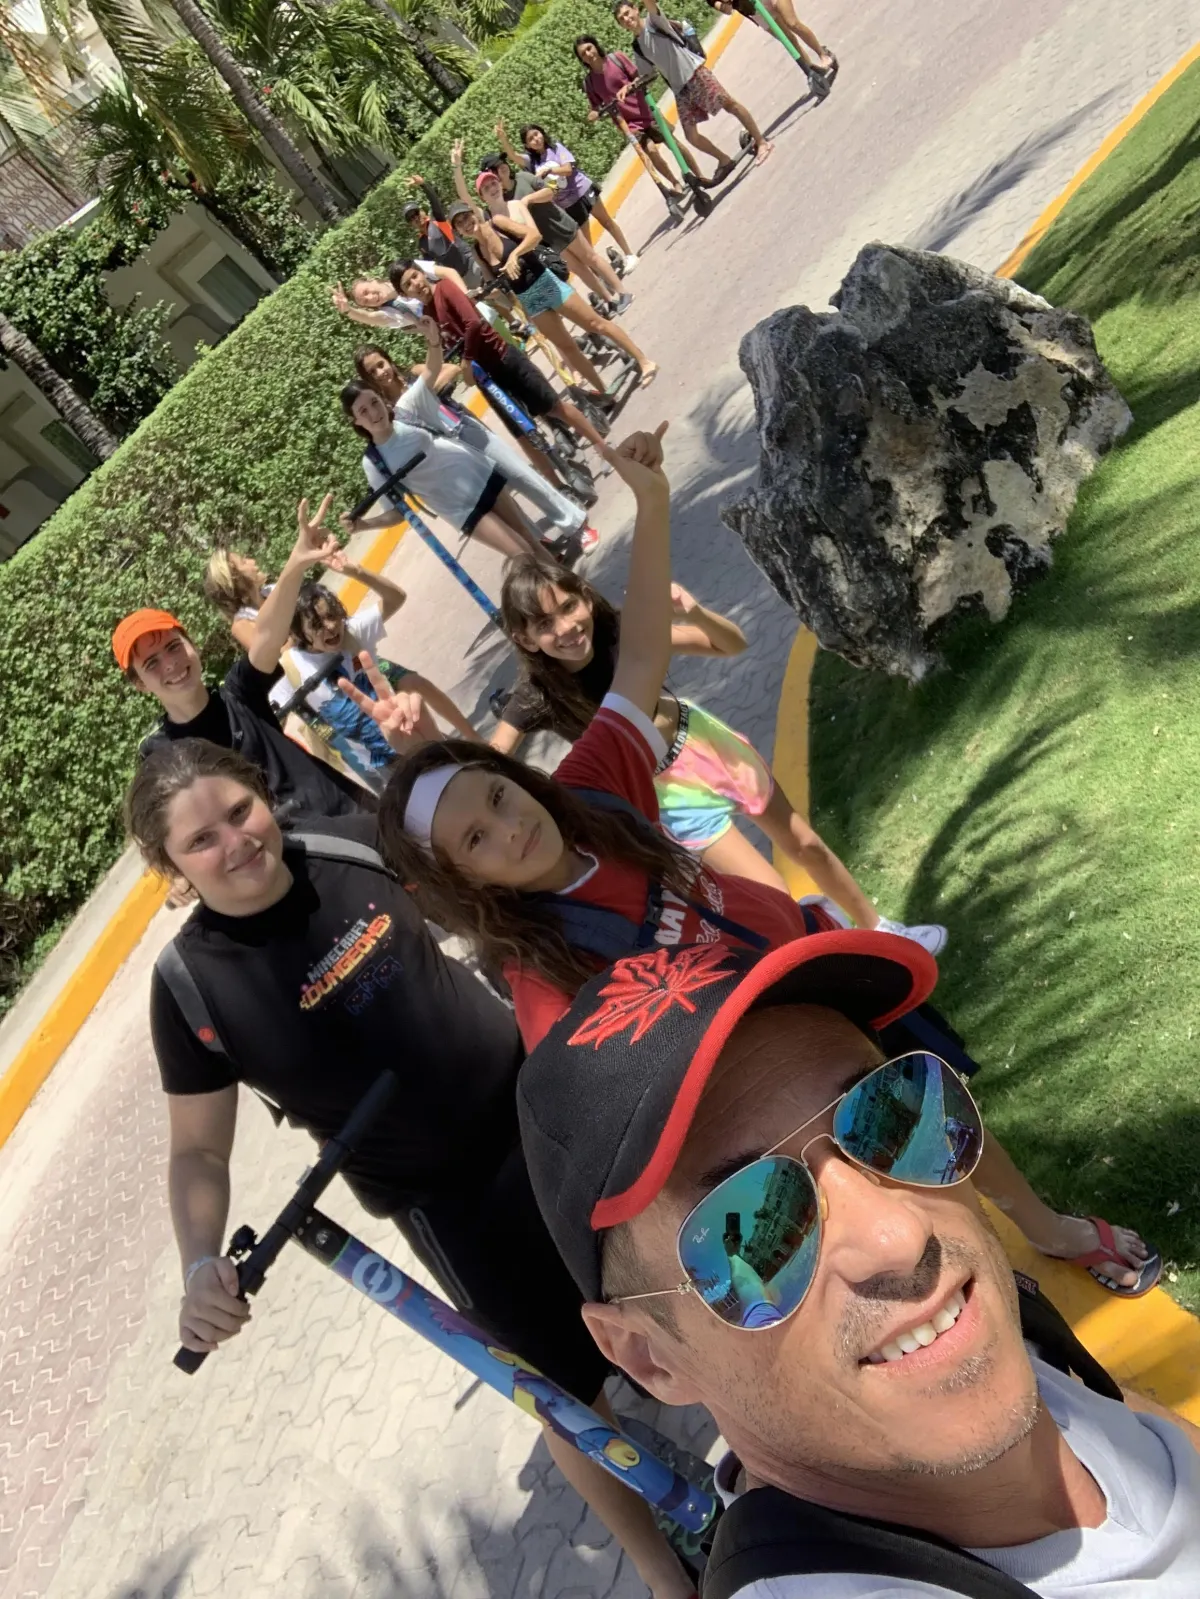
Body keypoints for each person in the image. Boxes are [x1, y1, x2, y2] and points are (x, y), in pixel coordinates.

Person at [351, 428, 1158, 1298]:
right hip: (763, 1097)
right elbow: (598, 1125)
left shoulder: (588, 788)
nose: (508, 828)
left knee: (929, 1103)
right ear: (466, 883)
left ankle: (1048, 1229)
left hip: (812, 976)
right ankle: (994, 1287)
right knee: (893, 1211)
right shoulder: (541, 969)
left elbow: (645, 655)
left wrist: (652, 503)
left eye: (499, 797)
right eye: (475, 840)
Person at [130, 738, 698, 1599]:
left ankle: (769, 1446)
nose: (235, 842)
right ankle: (662, 1573)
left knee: (669, 1284)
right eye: (200, 840)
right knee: (566, 1398)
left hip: (547, 1106)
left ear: (260, 794)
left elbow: (488, 895)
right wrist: (199, 1261)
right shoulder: (193, 989)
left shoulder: (351, 844)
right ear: (167, 863)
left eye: (239, 811)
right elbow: (201, 1150)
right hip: (451, 1202)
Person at [515, 934, 1194, 1595]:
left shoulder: (1002, 1335)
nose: (897, 1234)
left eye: (892, 1115)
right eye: (751, 1224)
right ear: (648, 1355)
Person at [491, 551, 947, 949]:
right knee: (777, 904)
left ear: (585, 598)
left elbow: (731, 644)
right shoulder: (536, 695)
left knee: (807, 846)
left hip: (708, 742)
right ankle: (853, 964)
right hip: (669, 797)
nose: (567, 627)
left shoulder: (625, 633)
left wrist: (696, 613)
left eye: (570, 606)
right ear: (526, 639)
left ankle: (881, 928)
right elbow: (490, 762)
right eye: (545, 624)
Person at [114, 502, 369, 821]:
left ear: (192, 645)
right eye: (151, 663)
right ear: (139, 683)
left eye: (174, 647)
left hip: (350, 816)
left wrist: (299, 558)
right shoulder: (163, 756)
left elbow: (267, 635)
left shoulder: (239, 694)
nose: (171, 664)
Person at [350, 329, 600, 559]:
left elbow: (450, 369)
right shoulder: (382, 408)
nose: (381, 373)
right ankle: (541, 546)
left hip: (464, 429)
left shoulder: (414, 373)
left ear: (388, 360)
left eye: (380, 364)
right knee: (502, 502)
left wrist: (426, 391)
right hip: (449, 456)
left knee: (522, 476)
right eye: (372, 372)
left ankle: (577, 526)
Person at [389, 260, 611, 462]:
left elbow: (473, 323)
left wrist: (466, 361)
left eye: (415, 276)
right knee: (530, 423)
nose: (415, 284)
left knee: (555, 406)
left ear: (421, 273)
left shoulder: (445, 288)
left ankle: (603, 448)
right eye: (408, 285)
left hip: (504, 358)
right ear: (405, 294)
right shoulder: (428, 314)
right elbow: (448, 346)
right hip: (488, 378)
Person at [449, 195, 658, 393]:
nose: (466, 223)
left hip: (545, 282)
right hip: (529, 299)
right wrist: (482, 294)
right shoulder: (477, 252)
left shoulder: (497, 223)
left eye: (466, 216)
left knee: (595, 324)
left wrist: (514, 254)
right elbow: (494, 286)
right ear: (459, 231)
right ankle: (603, 393)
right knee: (567, 347)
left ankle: (644, 361)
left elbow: (534, 235)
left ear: (474, 212)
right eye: (459, 223)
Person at [285, 574, 479, 785]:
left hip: (413, 732)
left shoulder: (352, 630)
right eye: (316, 624)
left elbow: (396, 598)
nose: (330, 626)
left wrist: (354, 570)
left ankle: (477, 742)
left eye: (332, 615)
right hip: (383, 761)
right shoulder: (292, 668)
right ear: (300, 634)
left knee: (465, 778)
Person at [615, 0, 774, 175]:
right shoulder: (638, 46)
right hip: (680, 89)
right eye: (622, 18)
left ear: (636, 10)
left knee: (730, 105)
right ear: (621, 25)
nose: (626, 19)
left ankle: (761, 142)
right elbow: (647, 75)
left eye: (627, 13)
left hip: (695, 73)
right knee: (691, 136)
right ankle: (723, 159)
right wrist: (629, 87)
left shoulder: (654, 21)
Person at [494, 119, 639, 282]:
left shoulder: (556, 148)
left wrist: (550, 170)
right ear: (527, 145)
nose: (536, 139)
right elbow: (513, 156)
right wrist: (503, 139)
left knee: (606, 221)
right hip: (568, 204)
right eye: (530, 139)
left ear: (541, 132)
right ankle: (606, 275)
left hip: (583, 190)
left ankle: (629, 254)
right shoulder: (532, 161)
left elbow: (568, 169)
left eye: (536, 134)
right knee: (586, 245)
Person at [575, 34, 695, 202]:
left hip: (645, 111)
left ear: (595, 46)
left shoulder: (616, 59)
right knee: (651, 151)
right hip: (628, 124)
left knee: (672, 142)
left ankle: (696, 173)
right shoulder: (589, 82)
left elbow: (639, 77)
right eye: (583, 53)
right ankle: (675, 183)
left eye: (589, 48)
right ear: (582, 59)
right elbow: (596, 106)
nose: (588, 54)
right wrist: (594, 114)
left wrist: (629, 86)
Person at [704, 0, 836, 95]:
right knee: (788, 40)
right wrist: (727, 3)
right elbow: (726, 10)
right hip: (755, 10)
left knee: (793, 23)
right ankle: (812, 70)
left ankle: (823, 54)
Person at [402, 173, 477, 282]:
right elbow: (431, 267)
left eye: (416, 213)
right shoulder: (422, 244)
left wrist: (423, 185)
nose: (416, 218)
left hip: (471, 263)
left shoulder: (437, 220)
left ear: (422, 211)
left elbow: (434, 201)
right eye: (411, 218)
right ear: (410, 224)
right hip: (459, 278)